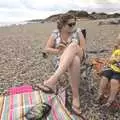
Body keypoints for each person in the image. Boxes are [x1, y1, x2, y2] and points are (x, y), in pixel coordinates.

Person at [35, 14, 86, 116]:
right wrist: (59, 50)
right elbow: (47, 49)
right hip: (62, 59)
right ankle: (76, 97)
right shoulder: (55, 33)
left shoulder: (78, 31)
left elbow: (83, 48)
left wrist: (69, 48)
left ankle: (52, 81)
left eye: (74, 23)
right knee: (74, 60)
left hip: (80, 54)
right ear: (62, 25)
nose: (73, 26)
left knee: (74, 46)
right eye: (70, 24)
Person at [96, 34, 120, 107]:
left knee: (114, 81)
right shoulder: (117, 51)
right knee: (104, 78)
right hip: (112, 68)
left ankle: (110, 100)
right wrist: (113, 59)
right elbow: (110, 60)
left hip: (118, 72)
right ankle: (100, 94)